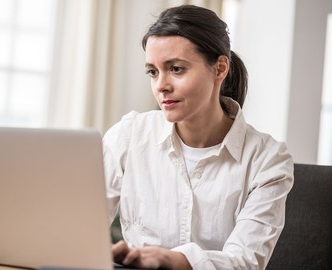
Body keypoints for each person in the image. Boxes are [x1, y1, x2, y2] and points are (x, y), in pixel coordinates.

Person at [102, 5, 294, 270]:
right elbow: (80, 225)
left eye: (176, 69)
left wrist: (174, 259)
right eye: (153, 72)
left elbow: (245, 262)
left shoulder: (268, 160)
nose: (161, 85)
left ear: (219, 69)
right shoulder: (129, 135)